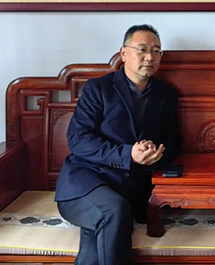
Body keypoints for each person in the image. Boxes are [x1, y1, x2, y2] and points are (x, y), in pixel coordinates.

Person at [55, 24, 182, 265]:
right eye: (142, 49)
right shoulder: (98, 88)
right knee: (113, 210)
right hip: (85, 183)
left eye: (156, 51)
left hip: (130, 188)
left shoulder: (166, 94)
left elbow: (174, 140)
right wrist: (128, 154)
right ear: (124, 53)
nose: (150, 57)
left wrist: (155, 154)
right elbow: (78, 139)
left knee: (101, 232)